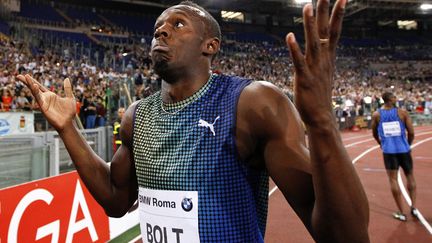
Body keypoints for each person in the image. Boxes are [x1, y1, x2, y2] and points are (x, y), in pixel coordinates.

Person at [17, 0, 369, 242]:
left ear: (210, 45)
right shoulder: (136, 115)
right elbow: (115, 200)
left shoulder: (252, 103)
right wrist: (68, 129)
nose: (161, 31)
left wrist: (322, 122)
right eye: (157, 26)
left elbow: (343, 236)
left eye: (178, 24)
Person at [371, 92, 417, 222]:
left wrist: (381, 143)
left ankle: (401, 212)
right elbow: (411, 132)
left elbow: (374, 133)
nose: (396, 98)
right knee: (410, 176)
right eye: (394, 97)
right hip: (404, 150)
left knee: (393, 180)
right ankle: (413, 207)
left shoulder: (377, 115)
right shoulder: (402, 113)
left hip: (389, 152)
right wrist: (408, 144)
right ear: (391, 99)